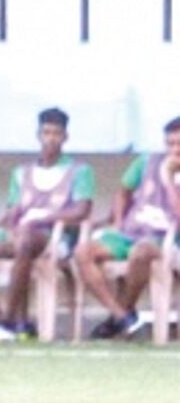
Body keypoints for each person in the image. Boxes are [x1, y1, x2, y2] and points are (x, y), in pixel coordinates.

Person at [0, 107, 94, 339]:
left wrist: (44, 217)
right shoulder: (22, 172)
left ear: (65, 137)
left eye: (56, 134)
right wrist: (10, 226)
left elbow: (82, 211)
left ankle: (10, 320)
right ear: (38, 135)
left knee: (27, 238)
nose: (50, 139)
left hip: (54, 239)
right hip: (20, 236)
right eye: (46, 133)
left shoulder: (80, 171)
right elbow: (12, 211)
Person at [75, 116, 180, 338]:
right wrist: (118, 220)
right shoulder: (146, 162)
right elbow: (123, 191)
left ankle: (119, 317)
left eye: (179, 144)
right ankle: (123, 316)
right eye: (170, 144)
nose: (175, 149)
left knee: (140, 252)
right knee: (84, 251)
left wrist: (169, 178)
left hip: (165, 239)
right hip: (130, 232)